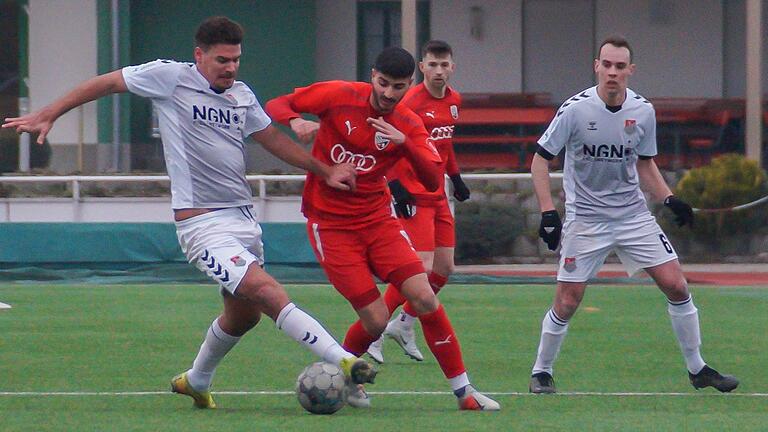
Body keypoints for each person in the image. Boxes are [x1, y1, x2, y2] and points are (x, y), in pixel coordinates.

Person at [2, 16, 377, 409]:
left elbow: (272, 140)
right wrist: (51, 112)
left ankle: (196, 380)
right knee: (267, 291)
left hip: (243, 220)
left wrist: (325, 169)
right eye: (222, 60)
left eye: (235, 60)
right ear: (199, 56)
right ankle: (345, 361)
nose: (230, 68)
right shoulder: (169, 77)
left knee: (244, 316)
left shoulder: (242, 95)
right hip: (201, 224)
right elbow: (108, 82)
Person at [265, 47, 499, 411]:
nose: (389, 93)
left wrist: (405, 145)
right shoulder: (340, 95)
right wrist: (295, 121)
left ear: (409, 85)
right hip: (331, 227)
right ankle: (346, 376)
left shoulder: (406, 123)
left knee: (424, 297)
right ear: (372, 75)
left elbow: (432, 178)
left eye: (399, 87)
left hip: (378, 221)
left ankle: (465, 393)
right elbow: (277, 104)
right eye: (383, 83)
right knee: (375, 319)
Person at [528, 35, 739, 394]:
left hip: (632, 216)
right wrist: (549, 213)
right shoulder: (574, 110)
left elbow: (645, 164)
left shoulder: (643, 111)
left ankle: (697, 368)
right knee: (567, 301)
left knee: (676, 284)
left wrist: (670, 199)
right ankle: (541, 371)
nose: (612, 72)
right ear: (596, 66)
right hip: (586, 219)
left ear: (630, 70)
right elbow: (539, 160)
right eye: (606, 65)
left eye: (619, 66)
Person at [366, 40, 469, 364]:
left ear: (453, 67)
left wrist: (455, 177)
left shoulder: (454, 101)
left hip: (437, 192)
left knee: (444, 268)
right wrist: (396, 187)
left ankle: (404, 325)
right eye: (432, 65)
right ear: (422, 68)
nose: (439, 71)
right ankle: (375, 333)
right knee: (419, 268)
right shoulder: (408, 100)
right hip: (413, 193)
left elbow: (444, 147)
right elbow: (390, 146)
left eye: (445, 65)